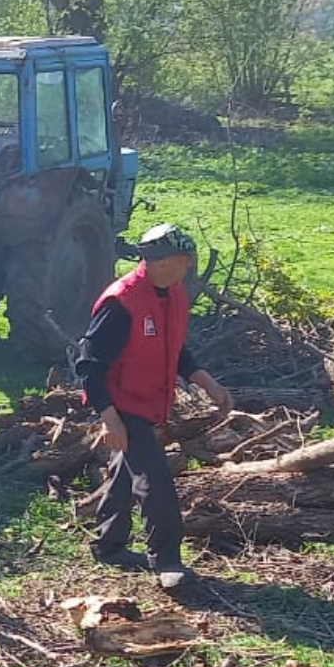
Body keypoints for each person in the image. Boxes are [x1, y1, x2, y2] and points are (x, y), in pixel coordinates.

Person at [74, 223, 232, 589]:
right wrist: (109, 417)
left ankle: (109, 545)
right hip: (123, 402)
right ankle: (167, 560)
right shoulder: (121, 303)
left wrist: (206, 382)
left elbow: (174, 349)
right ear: (161, 262)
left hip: (150, 401)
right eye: (184, 260)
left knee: (124, 472)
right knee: (155, 480)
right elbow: (88, 364)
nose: (189, 267)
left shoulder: (172, 293)